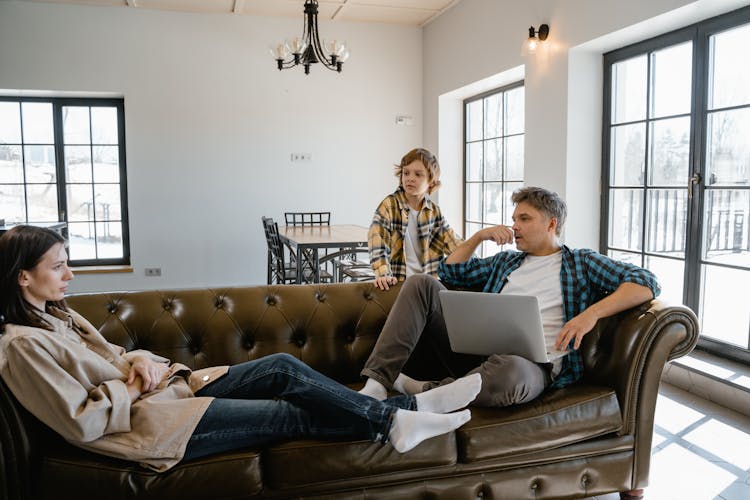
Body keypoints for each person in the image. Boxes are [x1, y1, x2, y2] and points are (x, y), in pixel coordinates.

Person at [0, 225, 482, 472]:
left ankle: (400, 409)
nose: (69, 275)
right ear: (23, 277)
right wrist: (128, 385)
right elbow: (81, 421)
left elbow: (111, 356)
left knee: (281, 367)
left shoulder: (57, 315)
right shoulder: (20, 346)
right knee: (285, 413)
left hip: (171, 392)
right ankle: (398, 416)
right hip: (150, 425)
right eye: (58, 266)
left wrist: (139, 358)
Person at [358, 186, 660, 407]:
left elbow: (646, 282)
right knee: (421, 283)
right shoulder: (506, 261)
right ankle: (377, 384)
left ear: (551, 223)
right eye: (514, 218)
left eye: (524, 219)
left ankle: (423, 390)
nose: (514, 226)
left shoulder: (580, 262)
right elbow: (450, 273)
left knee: (511, 375)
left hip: (531, 367)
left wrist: (590, 314)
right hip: (476, 355)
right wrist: (478, 238)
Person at [369, 148, 462, 291]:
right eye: (406, 173)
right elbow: (377, 240)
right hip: (398, 284)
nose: (410, 178)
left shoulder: (434, 212)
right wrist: (383, 274)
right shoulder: (389, 205)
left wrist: (476, 252)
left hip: (427, 286)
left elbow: (454, 244)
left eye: (418, 174)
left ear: (431, 181)